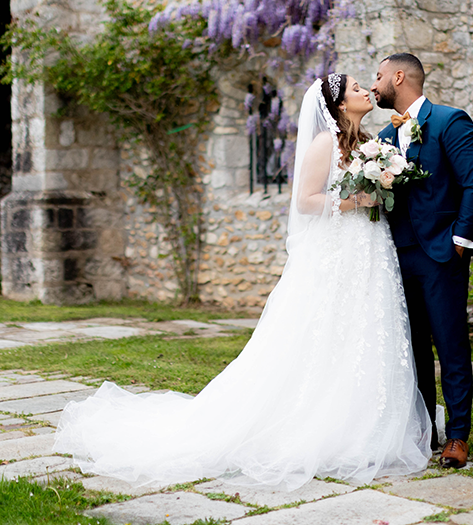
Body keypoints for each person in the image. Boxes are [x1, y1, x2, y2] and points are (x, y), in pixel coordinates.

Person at [53, 74, 443, 491]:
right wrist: (356, 200)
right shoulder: (324, 144)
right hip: (340, 250)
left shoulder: (368, 141)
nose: (366, 91)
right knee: (329, 333)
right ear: (340, 105)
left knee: (369, 329)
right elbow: (306, 201)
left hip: (369, 248)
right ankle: (323, 425)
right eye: (355, 89)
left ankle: (372, 420)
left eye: (366, 86)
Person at [371, 53, 473, 469]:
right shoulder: (385, 137)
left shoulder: (449, 121)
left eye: (381, 76)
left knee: (451, 344)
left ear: (400, 77)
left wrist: (460, 240)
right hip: (400, 255)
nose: (375, 84)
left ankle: (458, 437)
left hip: (443, 254)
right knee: (414, 347)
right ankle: (426, 430)